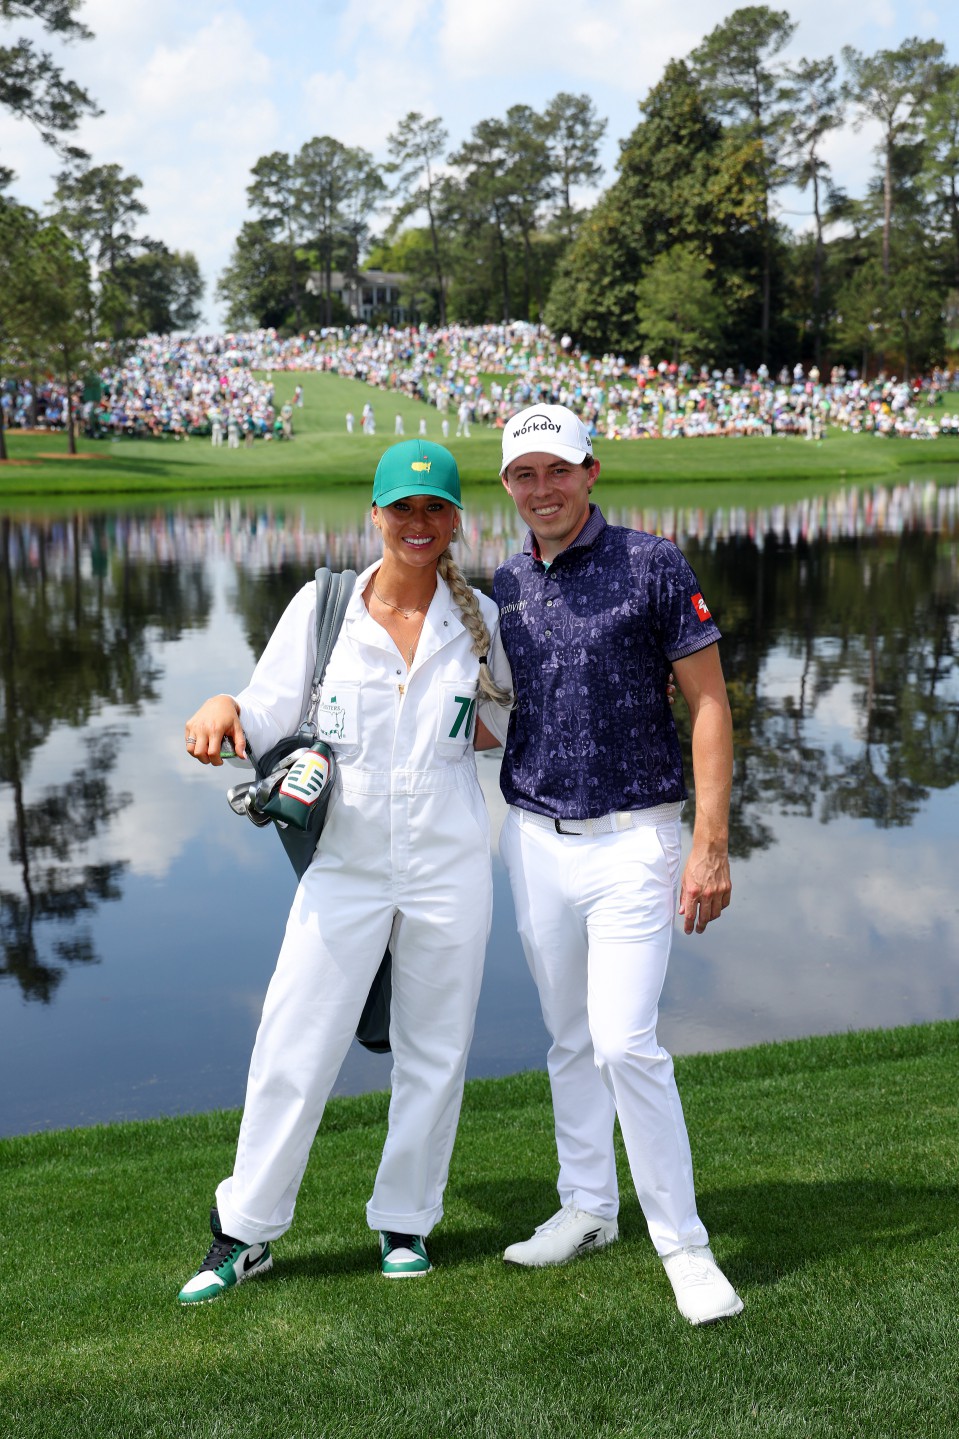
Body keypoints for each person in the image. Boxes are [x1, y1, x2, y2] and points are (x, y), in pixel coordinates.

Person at [177, 439, 511, 1303]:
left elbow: (500, 723)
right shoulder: (325, 606)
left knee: (435, 1048)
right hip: (345, 867)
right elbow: (261, 707)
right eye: (402, 507)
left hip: (449, 864)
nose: (418, 523)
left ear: (455, 521)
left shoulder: (480, 620)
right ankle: (244, 1234)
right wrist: (222, 707)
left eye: (435, 508)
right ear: (375, 513)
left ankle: (405, 1221)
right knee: (295, 1040)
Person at [489, 403, 742, 1327]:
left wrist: (710, 844)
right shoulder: (505, 582)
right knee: (568, 1036)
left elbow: (708, 704)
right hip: (533, 840)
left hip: (638, 838)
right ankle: (588, 1206)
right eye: (524, 474)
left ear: (591, 470)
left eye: (557, 469)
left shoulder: (653, 562)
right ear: (507, 485)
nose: (542, 488)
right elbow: (497, 712)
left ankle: (683, 1241)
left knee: (624, 1040)